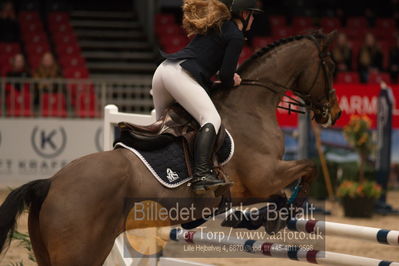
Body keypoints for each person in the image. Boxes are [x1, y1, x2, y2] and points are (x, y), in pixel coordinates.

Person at [151, 0, 262, 194]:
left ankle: (160, 173)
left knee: (163, 127)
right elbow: (226, 75)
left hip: (163, 71)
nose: (253, 19)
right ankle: (201, 174)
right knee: (211, 119)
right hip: (180, 75)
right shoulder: (235, 35)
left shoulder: (216, 25)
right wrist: (232, 82)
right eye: (252, 14)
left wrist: (216, 83)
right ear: (244, 14)